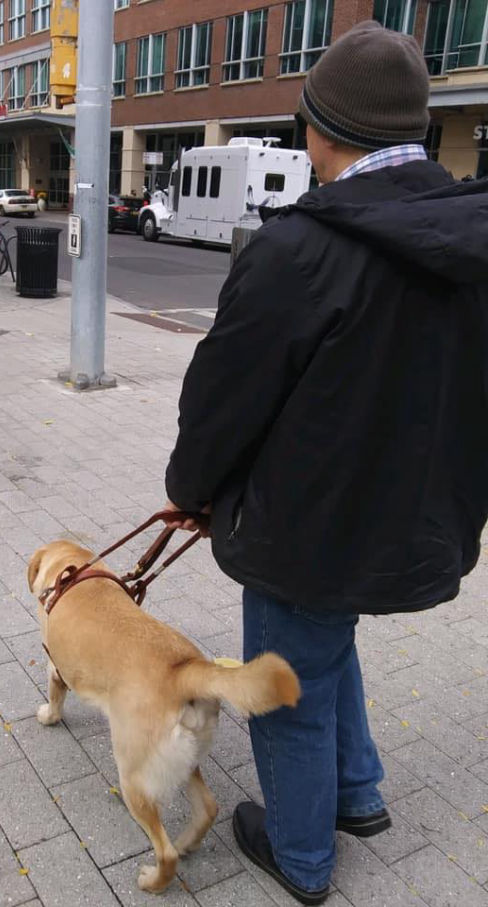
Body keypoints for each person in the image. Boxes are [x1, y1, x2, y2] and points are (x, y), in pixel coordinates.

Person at [164, 20, 488, 906]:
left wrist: (189, 493)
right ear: (418, 132)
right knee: (328, 644)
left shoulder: (295, 249)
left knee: (289, 683)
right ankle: (359, 795)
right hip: (415, 517)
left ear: (318, 129)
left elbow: (224, 398)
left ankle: (303, 856)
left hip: (305, 524)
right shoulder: (472, 240)